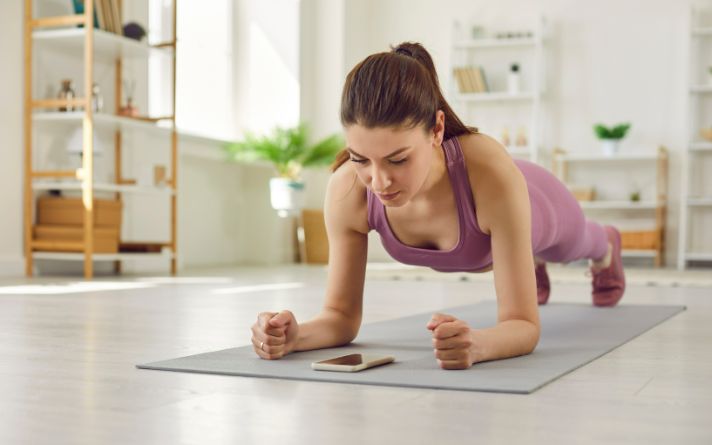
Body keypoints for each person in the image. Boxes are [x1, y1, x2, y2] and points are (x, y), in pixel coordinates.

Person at [250, 42, 625, 370]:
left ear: (437, 129)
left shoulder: (490, 171)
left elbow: (523, 325)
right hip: (501, 218)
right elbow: (340, 317)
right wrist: (296, 336)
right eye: (360, 158)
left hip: (536, 201)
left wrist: (478, 346)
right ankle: (528, 267)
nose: (378, 182)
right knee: (524, 259)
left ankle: (604, 246)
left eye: (398, 160)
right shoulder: (347, 189)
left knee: (575, 245)